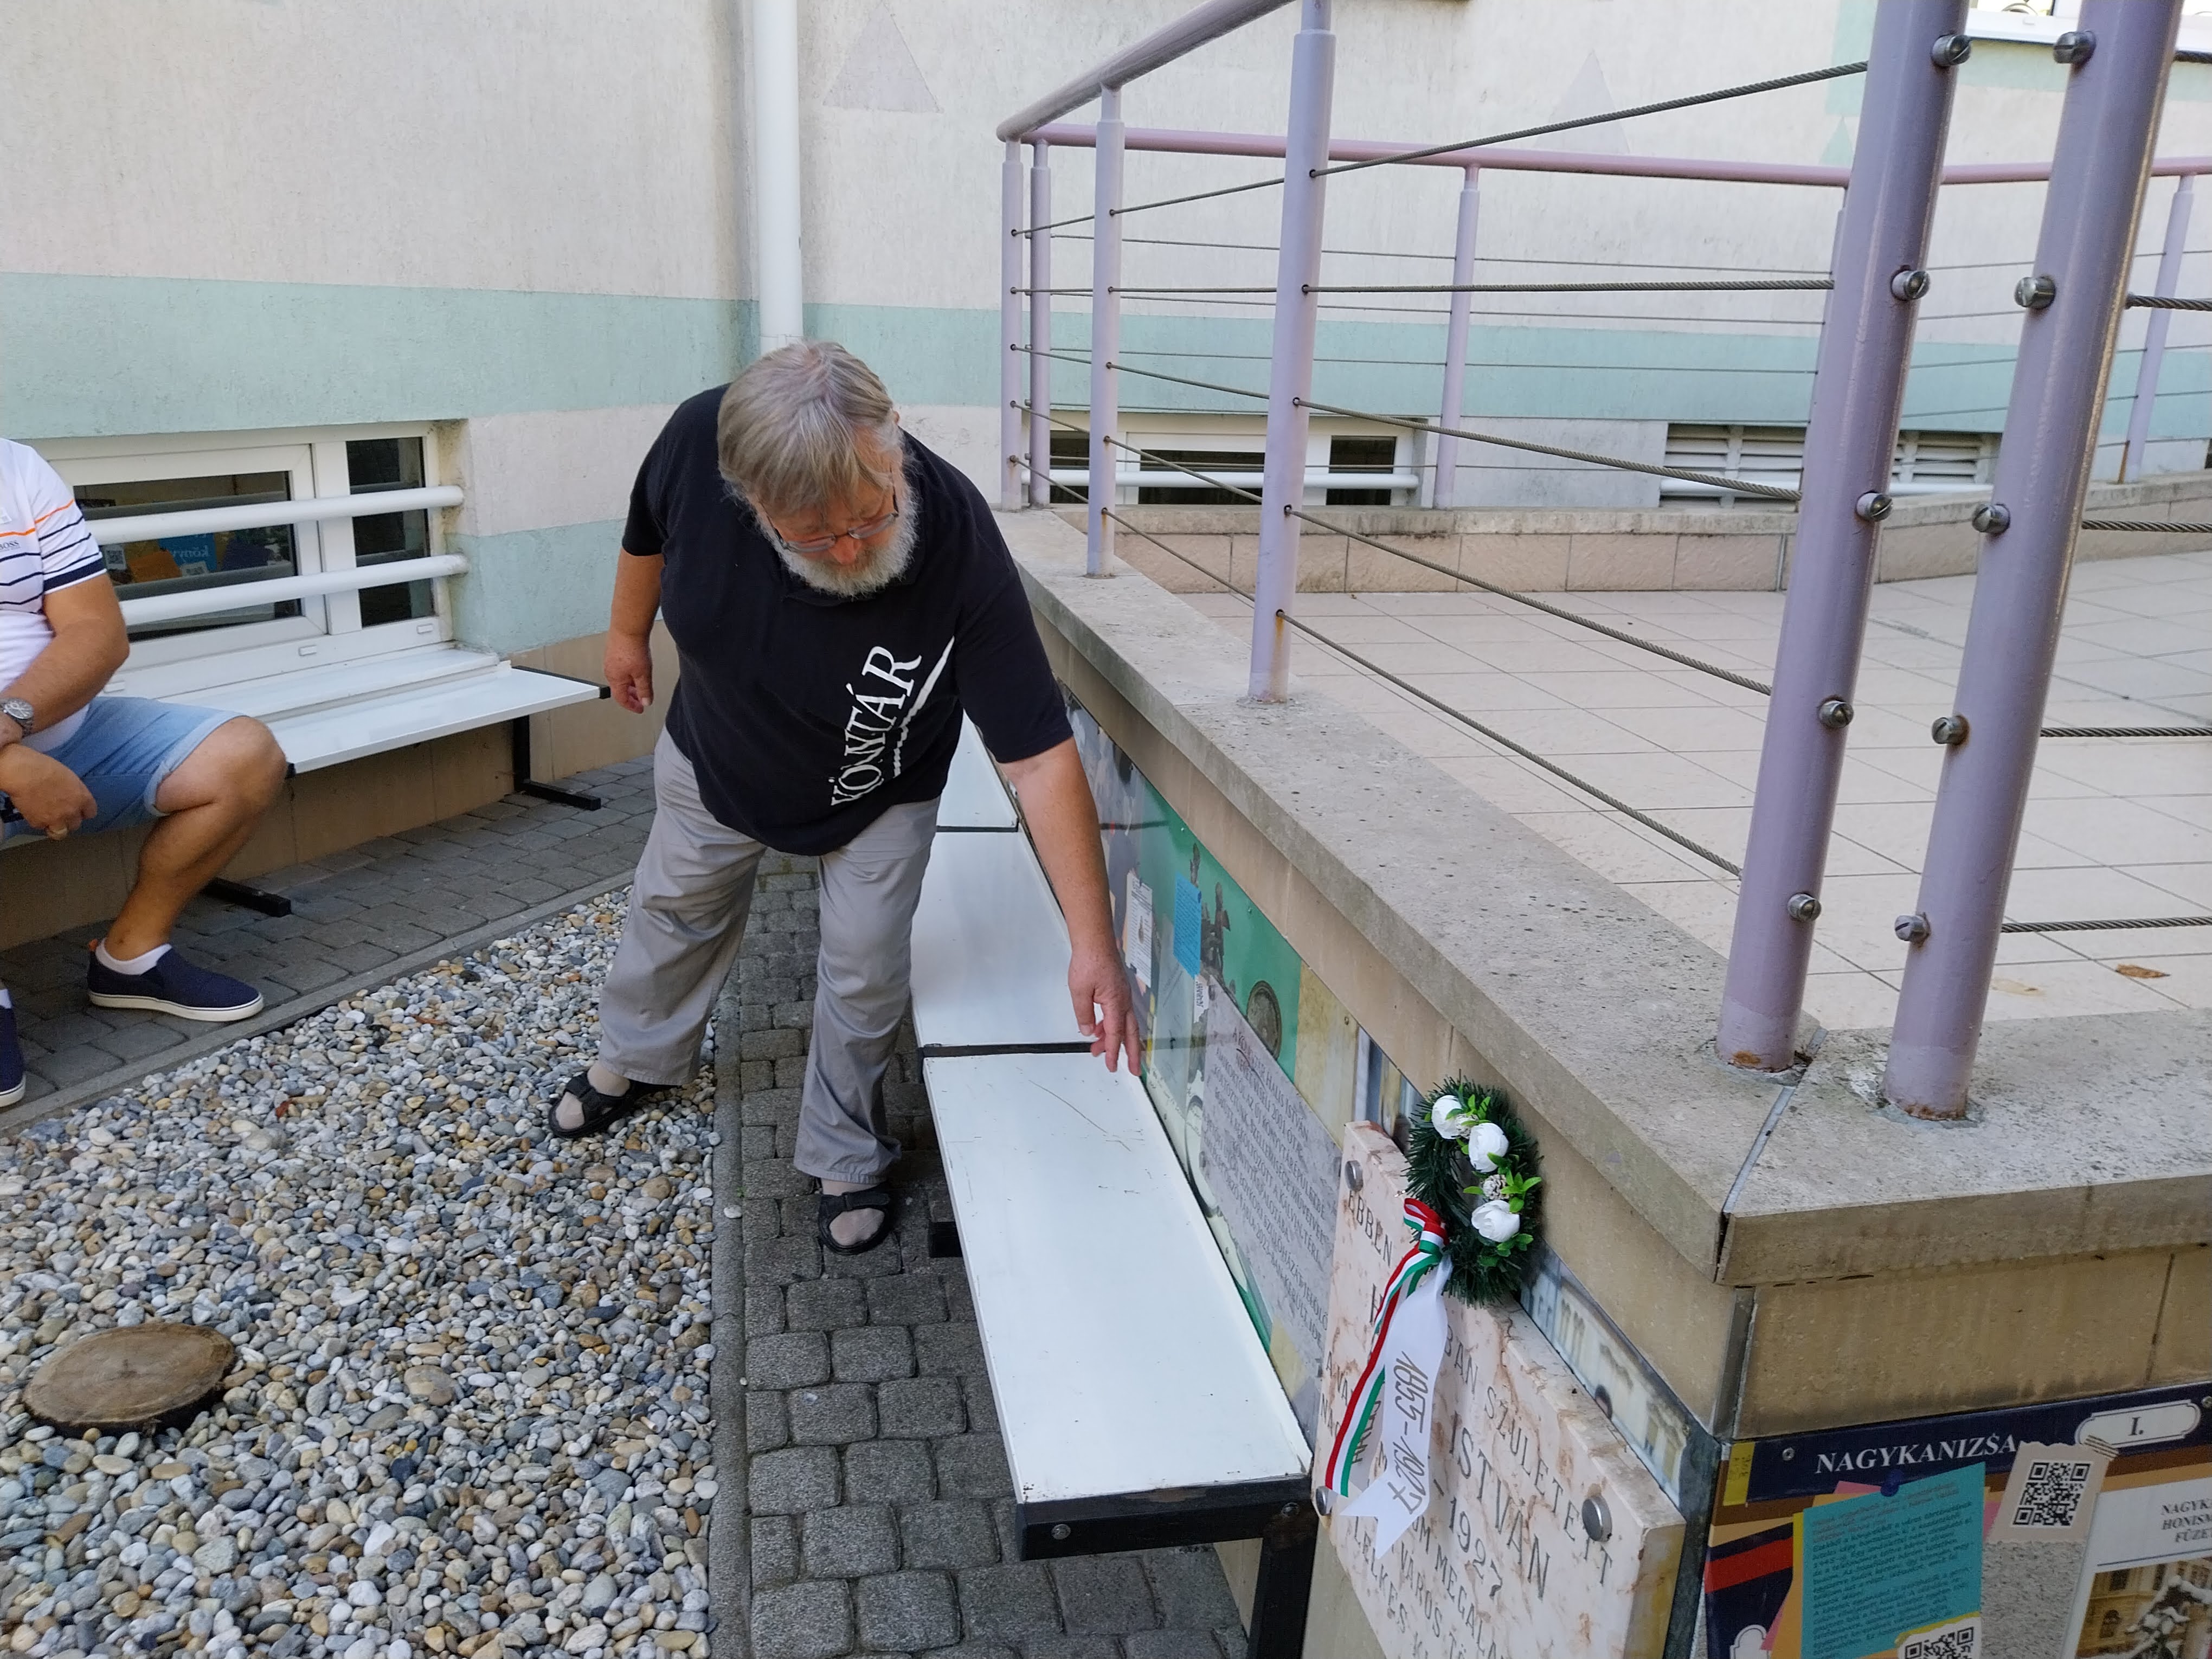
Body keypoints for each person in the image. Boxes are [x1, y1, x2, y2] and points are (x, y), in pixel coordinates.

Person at [550, 341, 1133, 1255]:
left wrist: (1093, 944)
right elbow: (646, 534)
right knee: (672, 910)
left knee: (865, 970)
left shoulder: (957, 538)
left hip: (878, 787)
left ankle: (844, 1148)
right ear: (747, 498)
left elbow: (1038, 758)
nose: (853, 550)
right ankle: (639, 1054)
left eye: (868, 516)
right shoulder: (698, 439)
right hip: (719, 753)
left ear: (892, 440)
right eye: (813, 536)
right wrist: (627, 636)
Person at [0, 440, 290, 1108]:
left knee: (243, 757)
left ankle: (130, 958)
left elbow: (97, 632)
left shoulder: (16, 469)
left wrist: (11, 726)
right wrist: (10, 762)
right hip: (22, 754)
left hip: (61, 738)